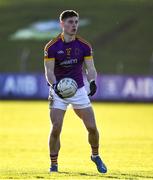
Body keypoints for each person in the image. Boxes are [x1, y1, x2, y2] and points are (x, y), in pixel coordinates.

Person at [44, 10, 107, 173]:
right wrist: (55, 86)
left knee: (92, 127)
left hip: (78, 89)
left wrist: (92, 81)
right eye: (71, 22)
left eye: (76, 22)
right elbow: (49, 72)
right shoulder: (51, 47)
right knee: (56, 127)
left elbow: (91, 68)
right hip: (58, 90)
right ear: (62, 24)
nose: (74, 25)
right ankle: (54, 165)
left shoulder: (84, 45)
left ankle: (95, 155)